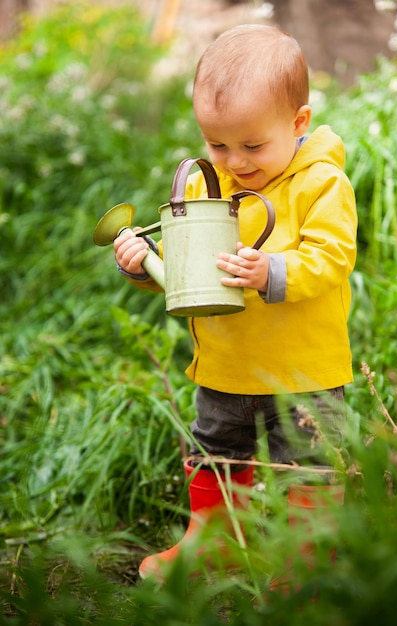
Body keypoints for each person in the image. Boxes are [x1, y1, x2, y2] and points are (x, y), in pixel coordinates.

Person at [114, 24, 357, 587]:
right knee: (216, 451)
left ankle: (307, 561)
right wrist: (144, 262)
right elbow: (188, 268)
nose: (235, 161)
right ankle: (217, 542)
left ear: (298, 124)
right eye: (217, 144)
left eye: (252, 145)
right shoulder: (207, 183)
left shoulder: (320, 184)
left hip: (304, 369)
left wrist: (270, 269)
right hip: (225, 363)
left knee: (308, 460)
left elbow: (332, 257)